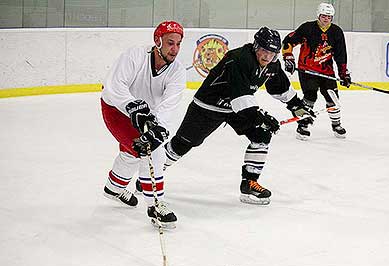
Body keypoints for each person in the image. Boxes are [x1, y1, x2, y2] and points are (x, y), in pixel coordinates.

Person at [163, 27, 314, 205]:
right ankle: (151, 176)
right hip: (208, 106)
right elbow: (240, 97)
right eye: (264, 51)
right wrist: (261, 117)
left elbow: (279, 86)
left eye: (272, 53)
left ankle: (250, 183)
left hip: (235, 108)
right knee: (183, 144)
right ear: (256, 46)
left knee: (261, 135)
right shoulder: (240, 59)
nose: (267, 57)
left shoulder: (272, 63)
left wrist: (296, 106)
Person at [100, 21, 186, 229]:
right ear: (157, 42)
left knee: (135, 149)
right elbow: (114, 86)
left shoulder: (178, 71)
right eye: (170, 43)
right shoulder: (135, 55)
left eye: (178, 44)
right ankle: (155, 205)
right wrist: (132, 106)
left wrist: (159, 129)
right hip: (116, 109)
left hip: (147, 115)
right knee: (153, 151)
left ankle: (114, 187)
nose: (174, 49)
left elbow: (170, 105)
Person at [282, 2, 351, 140]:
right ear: (318, 16)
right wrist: (288, 57)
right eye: (324, 16)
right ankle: (303, 125)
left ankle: (336, 125)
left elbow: (341, 54)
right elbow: (288, 41)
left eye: (329, 16)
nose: (326, 19)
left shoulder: (336, 32)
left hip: (327, 71)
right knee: (310, 97)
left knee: (333, 98)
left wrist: (343, 73)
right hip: (307, 70)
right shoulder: (307, 28)